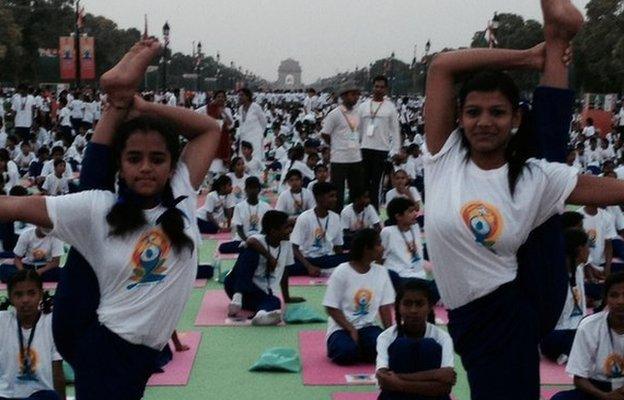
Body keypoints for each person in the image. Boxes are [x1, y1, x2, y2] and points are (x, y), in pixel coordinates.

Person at [0, 38, 220, 400]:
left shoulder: (180, 191)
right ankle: (116, 97)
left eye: (157, 159)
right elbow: (14, 206)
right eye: (134, 158)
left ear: (171, 165)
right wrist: (133, 103)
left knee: (95, 198)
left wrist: (140, 104)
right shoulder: (99, 207)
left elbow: (209, 129)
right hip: (100, 338)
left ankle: (117, 98)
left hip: (124, 342)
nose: (146, 167)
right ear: (121, 162)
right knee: (95, 202)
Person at [421, 1, 607, 397]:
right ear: (459, 116)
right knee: (547, 156)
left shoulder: (531, 176)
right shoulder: (444, 156)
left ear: (515, 118)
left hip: (511, 304)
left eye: (497, 113)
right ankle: (555, 38)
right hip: (485, 307)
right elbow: (441, 67)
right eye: (473, 112)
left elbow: (597, 189)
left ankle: (556, 38)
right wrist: (532, 56)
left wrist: (535, 58)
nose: (484, 121)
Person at [323, 228, 395, 365]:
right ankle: (350, 347)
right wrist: (351, 329)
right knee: (346, 353)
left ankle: (361, 348)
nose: (382, 248)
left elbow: (384, 308)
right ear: (366, 249)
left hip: (368, 327)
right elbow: (331, 307)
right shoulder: (342, 271)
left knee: (384, 349)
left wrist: (389, 335)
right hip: (341, 328)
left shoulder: (381, 272)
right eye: (378, 244)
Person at [376, 280, 455, 400]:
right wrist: (434, 375)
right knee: (401, 346)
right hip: (399, 397)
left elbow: (446, 384)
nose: (413, 310)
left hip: (430, 397)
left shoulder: (442, 338)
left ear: (429, 307)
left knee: (428, 346)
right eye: (407, 304)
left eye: (419, 304)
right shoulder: (385, 337)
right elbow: (383, 379)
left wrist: (399, 382)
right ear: (398, 307)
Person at [551, 272, 624, 400]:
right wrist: (605, 396)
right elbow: (579, 379)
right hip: (597, 389)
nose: (620, 301)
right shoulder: (589, 326)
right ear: (605, 298)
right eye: (614, 295)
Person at [0, 270, 66, 400]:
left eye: (31, 293)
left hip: (41, 394)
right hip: (5, 395)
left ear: (41, 294)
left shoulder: (51, 323)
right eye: (18, 294)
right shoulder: (2, 321)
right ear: (10, 297)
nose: (25, 300)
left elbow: (57, 372)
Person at [224, 210, 297, 325]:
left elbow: (285, 271)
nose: (290, 230)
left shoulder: (287, 245)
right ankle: (237, 297)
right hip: (234, 285)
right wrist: (270, 257)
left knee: (275, 301)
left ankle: (261, 315)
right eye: (286, 227)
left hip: (257, 290)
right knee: (249, 252)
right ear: (273, 231)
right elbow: (250, 241)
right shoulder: (258, 239)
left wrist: (286, 297)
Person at [540, 228, 589, 364]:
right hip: (557, 335)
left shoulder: (579, 269)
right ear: (580, 250)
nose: (589, 251)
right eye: (587, 246)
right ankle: (572, 352)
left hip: (578, 329)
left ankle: (571, 352)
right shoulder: (553, 275)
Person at [381, 197, 439, 304]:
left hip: (419, 276)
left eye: (414, 211)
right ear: (398, 216)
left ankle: (423, 295)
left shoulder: (415, 228)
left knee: (445, 283)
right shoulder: (387, 232)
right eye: (410, 211)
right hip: (400, 276)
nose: (415, 213)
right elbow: (380, 258)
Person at [358, 76, 401, 210]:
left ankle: (374, 214)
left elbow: (395, 131)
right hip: (364, 149)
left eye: (382, 87)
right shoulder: (363, 106)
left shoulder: (390, 108)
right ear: (373, 87)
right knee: (362, 184)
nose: (379, 89)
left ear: (386, 89)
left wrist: (395, 150)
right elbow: (357, 129)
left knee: (376, 185)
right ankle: (362, 212)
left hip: (381, 150)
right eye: (376, 86)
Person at [321, 81, 365, 212]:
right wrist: (335, 145)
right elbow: (325, 133)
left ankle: (352, 218)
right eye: (352, 94)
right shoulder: (335, 113)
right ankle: (337, 218)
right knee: (337, 193)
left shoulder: (358, 113)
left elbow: (358, 132)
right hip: (339, 159)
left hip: (355, 158)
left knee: (356, 192)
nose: (355, 97)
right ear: (344, 96)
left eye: (357, 94)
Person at [289, 182, 348, 277]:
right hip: (307, 259)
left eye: (335, 196)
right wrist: (309, 267)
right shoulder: (304, 218)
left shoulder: (336, 218)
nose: (335, 199)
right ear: (319, 198)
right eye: (331, 196)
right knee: (287, 267)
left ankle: (324, 269)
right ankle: (320, 270)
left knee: (351, 258)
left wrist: (343, 264)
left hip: (327, 259)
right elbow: (294, 248)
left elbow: (338, 248)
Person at [218, 176, 271, 254]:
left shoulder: (266, 207)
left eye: (255, 188)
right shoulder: (239, 206)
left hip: (260, 240)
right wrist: (247, 241)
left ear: (259, 189)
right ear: (246, 190)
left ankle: (253, 248)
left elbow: (266, 228)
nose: (252, 191)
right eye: (250, 188)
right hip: (243, 240)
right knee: (222, 247)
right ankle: (253, 249)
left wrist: (258, 240)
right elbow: (239, 228)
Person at [237, 88, 267, 161]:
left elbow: (264, 122)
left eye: (242, 95)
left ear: (247, 96)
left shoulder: (255, 107)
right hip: (244, 137)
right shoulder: (240, 109)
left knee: (255, 159)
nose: (239, 97)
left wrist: (259, 133)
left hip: (255, 138)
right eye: (239, 95)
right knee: (243, 159)